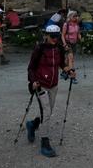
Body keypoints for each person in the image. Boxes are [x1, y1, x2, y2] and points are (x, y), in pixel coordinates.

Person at [26, 25, 76, 157]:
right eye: (52, 36)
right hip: (40, 84)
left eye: (57, 36)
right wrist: (33, 81)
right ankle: (45, 142)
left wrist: (69, 70)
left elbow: (61, 64)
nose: (55, 39)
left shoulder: (58, 48)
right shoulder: (40, 48)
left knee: (48, 111)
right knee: (47, 112)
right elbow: (31, 68)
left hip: (54, 84)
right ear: (46, 35)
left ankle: (32, 124)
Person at [62, 10, 81, 83]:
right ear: (69, 17)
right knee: (71, 59)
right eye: (74, 16)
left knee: (67, 59)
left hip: (74, 43)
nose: (76, 17)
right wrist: (65, 44)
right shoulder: (66, 25)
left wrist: (80, 37)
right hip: (68, 43)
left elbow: (78, 33)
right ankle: (72, 76)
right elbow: (62, 35)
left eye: (76, 16)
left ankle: (64, 71)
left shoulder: (76, 25)